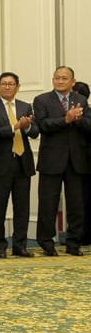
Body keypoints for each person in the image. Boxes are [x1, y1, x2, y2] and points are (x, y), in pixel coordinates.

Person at [33, 66, 91, 256]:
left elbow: (89, 125)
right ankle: (46, 241)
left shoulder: (81, 100)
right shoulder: (42, 100)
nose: (59, 81)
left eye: (64, 78)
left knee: (76, 204)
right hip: (51, 159)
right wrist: (65, 119)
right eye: (57, 78)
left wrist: (78, 119)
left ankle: (73, 243)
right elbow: (43, 125)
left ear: (72, 82)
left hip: (76, 160)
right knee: (48, 203)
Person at [0, 72, 39, 258]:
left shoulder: (26, 106)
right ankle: (0, 245)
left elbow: (35, 133)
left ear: (18, 87)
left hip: (23, 163)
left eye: (11, 84)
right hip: (0, 163)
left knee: (22, 207)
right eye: (3, 84)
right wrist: (14, 127)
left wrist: (27, 127)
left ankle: (20, 245)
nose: (7, 87)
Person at [74, 81, 91, 245]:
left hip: (84, 162)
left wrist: (78, 119)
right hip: (79, 162)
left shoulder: (87, 114)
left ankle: (84, 234)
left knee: (83, 200)